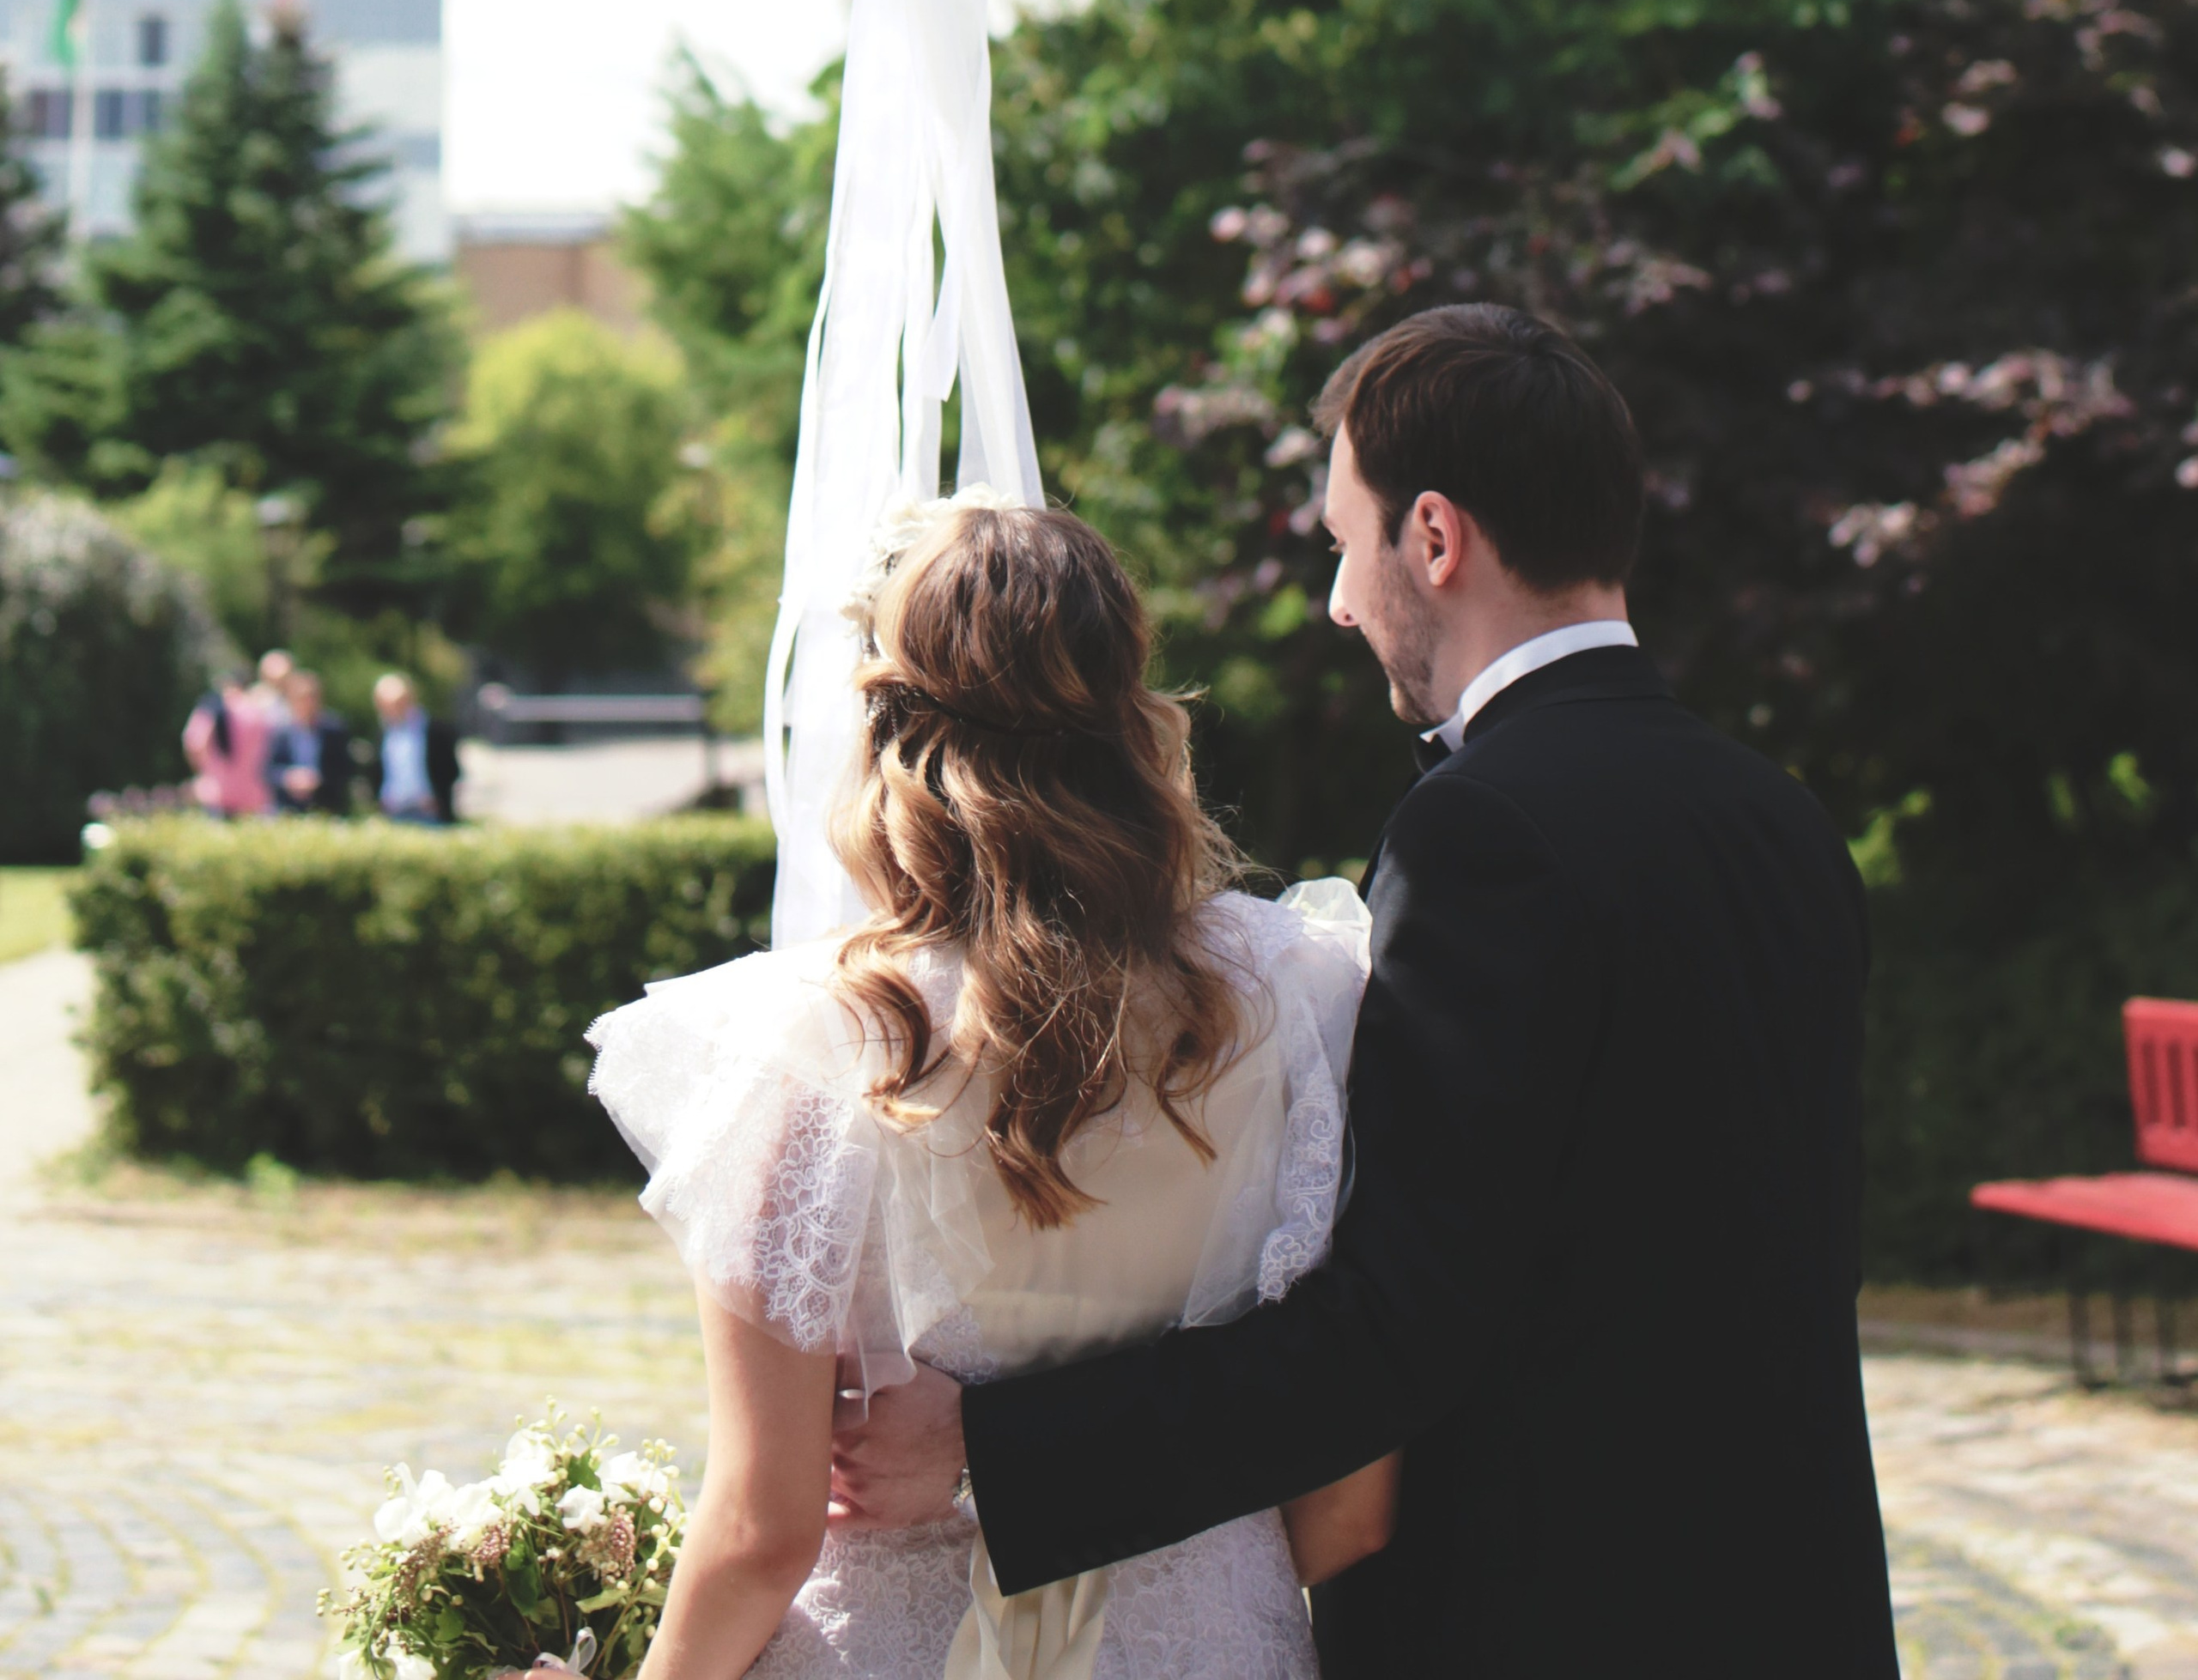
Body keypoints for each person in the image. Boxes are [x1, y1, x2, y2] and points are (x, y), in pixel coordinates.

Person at [829, 304, 1900, 1680]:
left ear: (1436, 539)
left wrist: (991, 1450)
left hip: (1556, 1618)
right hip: (1793, 1599)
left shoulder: (1487, 830)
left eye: (1347, 543)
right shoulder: (1781, 819)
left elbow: (1394, 1330)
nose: (1338, 600)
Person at [586, 496, 1381, 1680]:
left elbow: (761, 1532)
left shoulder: (811, 1045)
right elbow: (1342, 1515)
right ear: (1132, 716)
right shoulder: (1306, 998)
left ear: (889, 730)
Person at [182, 665, 277, 817]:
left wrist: (204, 772)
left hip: (217, 793)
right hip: (253, 795)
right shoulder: (258, 711)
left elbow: (195, 744)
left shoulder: (211, 708)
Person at [371, 672, 458, 824]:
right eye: (387, 705)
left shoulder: (435, 730)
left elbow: (451, 770)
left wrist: (437, 797)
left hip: (429, 811)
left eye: (398, 703)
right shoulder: (382, 732)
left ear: (410, 699)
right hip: (393, 811)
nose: (393, 709)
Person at [269, 667, 352, 814]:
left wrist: (318, 779)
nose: (306, 704)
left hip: (327, 807)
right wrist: (288, 778)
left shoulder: (334, 729)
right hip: (288, 809)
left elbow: (345, 769)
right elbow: (267, 770)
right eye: (301, 698)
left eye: (311, 697)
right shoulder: (280, 731)